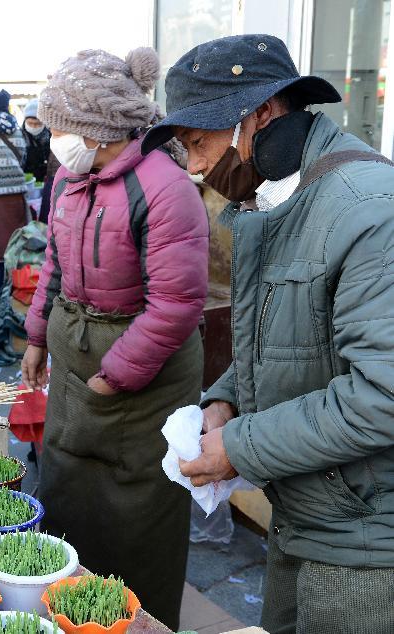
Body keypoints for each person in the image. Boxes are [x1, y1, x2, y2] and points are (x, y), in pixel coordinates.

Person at [143, 34, 394, 633]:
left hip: (363, 539)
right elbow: (289, 335)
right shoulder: (279, 197)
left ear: (260, 113)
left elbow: (382, 397)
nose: (197, 167)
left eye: (200, 144)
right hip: (307, 510)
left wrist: (238, 447)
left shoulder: (366, 210)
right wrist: (224, 399)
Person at [21, 48, 209, 629]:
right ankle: (68, 610)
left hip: (142, 376)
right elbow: (52, 263)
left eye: (61, 125)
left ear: (97, 127)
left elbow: (175, 305)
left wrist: (117, 373)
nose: (54, 138)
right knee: (68, 487)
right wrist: (36, 337)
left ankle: (137, 621)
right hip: (80, 361)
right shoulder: (69, 179)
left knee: (135, 509)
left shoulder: (164, 186)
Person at [0, 91, 28, 297]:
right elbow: (23, 158)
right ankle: (16, 291)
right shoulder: (16, 129)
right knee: (16, 246)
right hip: (16, 196)